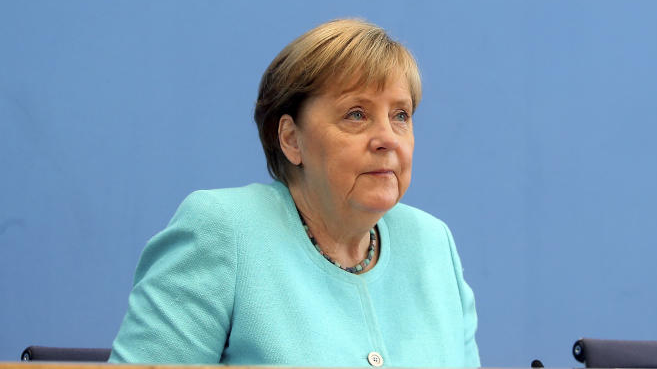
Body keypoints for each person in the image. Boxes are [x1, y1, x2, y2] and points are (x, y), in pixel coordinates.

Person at [109, 19, 480, 367]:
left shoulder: (433, 244)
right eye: (356, 114)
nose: (387, 139)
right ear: (291, 139)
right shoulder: (223, 231)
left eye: (400, 115)